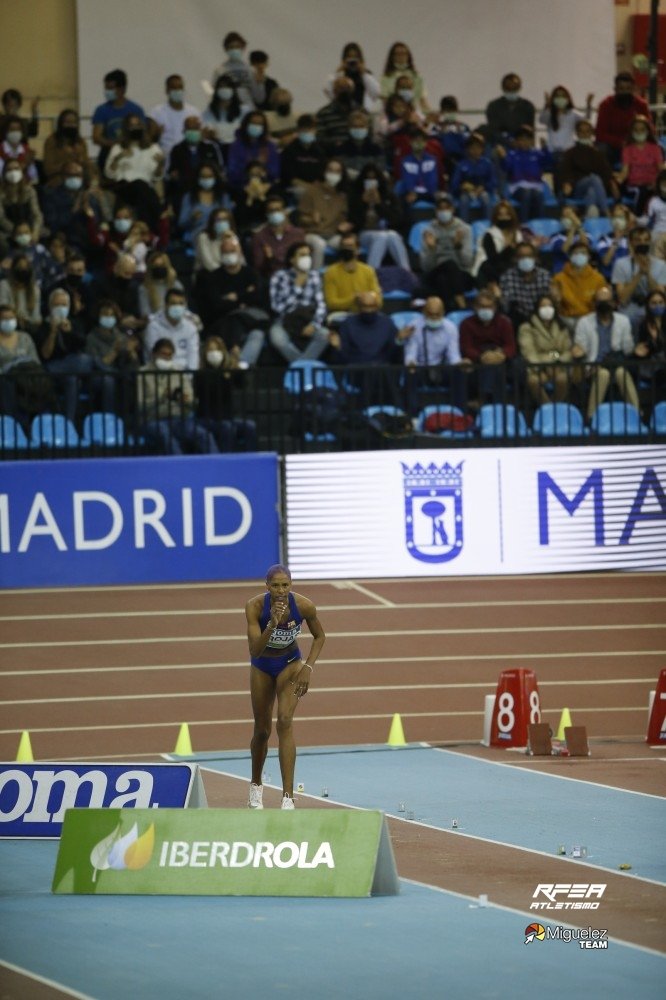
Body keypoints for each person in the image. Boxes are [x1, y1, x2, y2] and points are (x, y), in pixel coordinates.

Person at [245, 563, 325, 810]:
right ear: (267, 586)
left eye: (285, 585)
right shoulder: (254, 607)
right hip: (262, 666)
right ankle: (256, 786)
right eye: (275, 586)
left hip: (290, 663)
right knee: (262, 730)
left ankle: (288, 797)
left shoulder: (304, 606)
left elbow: (320, 636)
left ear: (291, 585)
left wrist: (308, 667)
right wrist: (272, 623)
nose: (281, 590)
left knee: (285, 721)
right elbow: (255, 650)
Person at [196, 232, 268, 366]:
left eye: (232, 251)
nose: (229, 255)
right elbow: (216, 305)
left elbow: (258, 298)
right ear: (220, 254)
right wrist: (245, 296)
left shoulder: (251, 273)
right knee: (232, 320)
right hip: (223, 322)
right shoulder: (213, 278)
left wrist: (235, 297)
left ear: (240, 252)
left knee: (257, 333)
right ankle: (239, 364)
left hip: (250, 320)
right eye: (226, 252)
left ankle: (239, 363)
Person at [137, 337, 218, 455]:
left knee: (203, 435)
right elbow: (140, 406)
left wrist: (185, 400)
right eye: (163, 354)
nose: (166, 358)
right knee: (165, 434)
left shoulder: (178, 371)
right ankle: (180, 465)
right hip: (152, 420)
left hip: (178, 419)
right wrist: (162, 396)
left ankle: (217, 464)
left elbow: (192, 401)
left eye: (169, 355)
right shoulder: (142, 373)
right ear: (154, 354)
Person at [572, 285, 640, 420]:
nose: (604, 305)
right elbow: (581, 348)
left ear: (613, 303)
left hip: (616, 364)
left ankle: (637, 415)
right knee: (603, 374)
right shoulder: (584, 322)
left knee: (621, 372)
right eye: (600, 302)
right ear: (595, 303)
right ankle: (591, 418)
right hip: (593, 368)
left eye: (607, 301)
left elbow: (627, 349)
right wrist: (579, 353)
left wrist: (634, 348)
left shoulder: (623, 321)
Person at [34, 287, 93, 422]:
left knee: (73, 378)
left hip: (69, 370)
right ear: (50, 306)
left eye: (64, 304)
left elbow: (82, 344)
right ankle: (101, 366)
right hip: (50, 371)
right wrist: (53, 333)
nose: (60, 308)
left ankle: (69, 423)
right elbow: (45, 355)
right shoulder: (43, 326)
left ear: (69, 306)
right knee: (86, 361)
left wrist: (69, 332)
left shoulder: (75, 323)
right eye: (57, 305)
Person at [194, 333, 258, 451]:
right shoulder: (201, 374)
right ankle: (226, 459)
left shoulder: (228, 371)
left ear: (223, 352)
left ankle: (251, 459)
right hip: (207, 419)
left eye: (217, 350)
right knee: (228, 428)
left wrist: (236, 364)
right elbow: (212, 390)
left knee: (250, 426)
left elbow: (242, 384)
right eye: (210, 350)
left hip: (227, 417)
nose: (214, 353)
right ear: (205, 353)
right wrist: (225, 376)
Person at [403, 296, 468, 411]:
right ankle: (412, 414)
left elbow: (453, 356)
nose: (433, 317)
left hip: (440, 368)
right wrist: (411, 364)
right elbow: (411, 353)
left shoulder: (450, 328)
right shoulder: (414, 326)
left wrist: (460, 364)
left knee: (459, 372)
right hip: (420, 368)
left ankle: (459, 411)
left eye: (437, 314)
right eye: (430, 314)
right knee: (410, 373)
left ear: (443, 312)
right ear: (424, 312)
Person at [269, 242, 330, 363]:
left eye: (308, 255)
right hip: (284, 320)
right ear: (292, 259)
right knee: (277, 339)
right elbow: (276, 307)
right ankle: (304, 367)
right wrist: (297, 288)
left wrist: (314, 324)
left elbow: (321, 305)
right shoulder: (279, 276)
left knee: (325, 335)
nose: (306, 258)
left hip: (308, 319)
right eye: (302, 255)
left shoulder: (315, 276)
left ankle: (299, 367)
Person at [347, 163, 409, 270]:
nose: (371, 182)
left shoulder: (388, 195)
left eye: (374, 179)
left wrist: (379, 204)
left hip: (385, 231)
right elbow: (353, 221)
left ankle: (406, 272)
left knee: (393, 235)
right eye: (368, 179)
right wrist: (363, 203)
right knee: (381, 236)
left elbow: (397, 219)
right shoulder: (356, 195)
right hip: (363, 234)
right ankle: (371, 273)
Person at [459, 291, 517, 404]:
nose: (486, 310)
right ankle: (493, 403)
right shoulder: (466, 324)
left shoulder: (504, 322)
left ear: (495, 308)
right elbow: (466, 347)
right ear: (475, 307)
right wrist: (481, 357)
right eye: (482, 306)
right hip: (477, 362)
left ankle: (484, 401)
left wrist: (502, 355)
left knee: (503, 367)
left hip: (500, 358)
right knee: (492, 368)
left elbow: (511, 346)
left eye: (489, 306)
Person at [418, 195, 474, 311]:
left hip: (460, 274)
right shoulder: (428, 231)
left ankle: (448, 310)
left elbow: (467, 263)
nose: (444, 212)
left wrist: (458, 247)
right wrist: (432, 249)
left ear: (452, 210)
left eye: (447, 208)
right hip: (436, 272)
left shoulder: (464, 229)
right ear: (436, 211)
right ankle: (460, 300)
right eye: (440, 209)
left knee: (444, 278)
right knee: (448, 266)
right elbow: (426, 267)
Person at [517, 294, 575, 406]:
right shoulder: (527, 327)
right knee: (534, 381)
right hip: (535, 367)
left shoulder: (562, 326)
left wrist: (555, 360)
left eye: (550, 306)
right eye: (543, 306)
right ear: (537, 308)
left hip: (558, 366)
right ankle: (546, 407)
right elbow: (530, 352)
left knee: (563, 379)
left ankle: (554, 407)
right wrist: (543, 366)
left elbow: (567, 351)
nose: (547, 309)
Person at [558, 118, 618, 217]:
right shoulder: (570, 153)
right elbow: (565, 172)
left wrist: (612, 183)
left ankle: (590, 215)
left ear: (591, 133)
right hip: (576, 188)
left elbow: (606, 172)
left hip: (595, 188)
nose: (584, 134)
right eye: (581, 131)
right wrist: (567, 183)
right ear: (577, 133)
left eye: (587, 131)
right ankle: (606, 212)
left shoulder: (598, 153)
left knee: (592, 191)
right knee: (594, 178)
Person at [611, 225, 666, 333]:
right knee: (624, 320)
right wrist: (639, 273)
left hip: (653, 305)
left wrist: (648, 273)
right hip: (630, 306)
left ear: (650, 242)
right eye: (638, 240)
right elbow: (622, 298)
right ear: (631, 242)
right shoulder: (620, 264)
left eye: (646, 240)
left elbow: (660, 296)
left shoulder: (661, 265)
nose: (642, 243)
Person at [91, 69, 146, 169]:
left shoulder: (136, 109)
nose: (108, 91)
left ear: (122, 89)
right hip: (108, 154)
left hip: (133, 154)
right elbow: (96, 137)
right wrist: (115, 144)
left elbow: (143, 134)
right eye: (106, 88)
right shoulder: (101, 110)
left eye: (111, 88)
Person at [496, 125, 552, 223]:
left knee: (539, 195)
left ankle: (540, 225)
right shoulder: (512, 154)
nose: (524, 142)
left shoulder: (537, 154)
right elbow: (506, 167)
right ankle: (523, 224)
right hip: (517, 188)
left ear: (531, 140)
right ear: (517, 141)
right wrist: (503, 157)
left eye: (527, 139)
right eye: (521, 140)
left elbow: (548, 163)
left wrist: (545, 149)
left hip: (536, 187)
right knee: (527, 193)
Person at [595, 71, 651, 166]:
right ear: (615, 89)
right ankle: (606, 175)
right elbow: (600, 134)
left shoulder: (641, 105)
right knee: (602, 149)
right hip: (613, 147)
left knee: (658, 149)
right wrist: (621, 142)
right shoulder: (606, 105)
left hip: (636, 144)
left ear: (633, 89)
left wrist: (635, 142)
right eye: (621, 88)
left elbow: (649, 129)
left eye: (628, 88)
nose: (625, 92)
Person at [322, 231, 383, 320]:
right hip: (342, 314)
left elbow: (378, 300)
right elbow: (331, 303)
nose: (347, 249)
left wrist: (365, 300)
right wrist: (353, 299)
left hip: (366, 311)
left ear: (358, 250)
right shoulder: (330, 272)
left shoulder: (368, 271)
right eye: (344, 246)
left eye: (350, 246)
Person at [551, 241, 606, 329]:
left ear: (589, 257)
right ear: (570, 256)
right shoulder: (558, 278)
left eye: (583, 253)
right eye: (576, 253)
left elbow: (603, 301)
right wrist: (556, 300)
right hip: (566, 319)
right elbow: (556, 304)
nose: (580, 256)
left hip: (590, 319)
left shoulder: (598, 278)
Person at [615, 115, 663, 214]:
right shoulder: (627, 149)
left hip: (653, 184)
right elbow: (625, 172)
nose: (639, 132)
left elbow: (661, 169)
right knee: (641, 191)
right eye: (636, 130)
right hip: (635, 185)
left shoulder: (655, 148)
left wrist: (657, 183)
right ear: (632, 132)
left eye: (642, 129)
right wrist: (615, 181)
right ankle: (638, 216)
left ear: (647, 131)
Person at [472, 200, 523, 293]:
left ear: (512, 216)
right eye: (501, 215)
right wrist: (509, 248)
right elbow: (494, 260)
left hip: (511, 270)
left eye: (507, 214)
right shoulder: (489, 235)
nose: (504, 218)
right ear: (496, 217)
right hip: (490, 272)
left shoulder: (517, 234)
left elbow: (519, 257)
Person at [144, 288, 201, 370]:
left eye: (181, 303)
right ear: (166, 305)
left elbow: (193, 357)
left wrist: (189, 376)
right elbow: (153, 354)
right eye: (173, 303)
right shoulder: (153, 327)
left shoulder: (191, 328)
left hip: (184, 374)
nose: (177, 307)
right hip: (158, 371)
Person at [499, 242, 552, 329]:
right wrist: (500, 298)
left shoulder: (544, 275)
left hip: (540, 318)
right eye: (521, 256)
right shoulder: (507, 277)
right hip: (518, 320)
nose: (526, 259)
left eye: (529, 256)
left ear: (535, 258)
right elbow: (506, 308)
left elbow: (548, 303)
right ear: (515, 259)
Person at [251, 195, 306, 278]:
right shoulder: (259, 237)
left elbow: (303, 258)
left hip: (295, 276)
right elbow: (258, 268)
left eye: (278, 209)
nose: (275, 213)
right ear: (266, 214)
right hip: (272, 277)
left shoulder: (298, 233)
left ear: (284, 211)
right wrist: (268, 259)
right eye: (271, 211)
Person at [226, 111, 280, 193]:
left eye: (260, 124)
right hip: (241, 188)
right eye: (253, 123)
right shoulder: (236, 146)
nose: (256, 126)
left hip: (266, 187)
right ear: (246, 125)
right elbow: (232, 172)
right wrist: (250, 169)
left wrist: (263, 169)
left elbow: (275, 172)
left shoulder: (270, 146)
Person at [449, 132, 498, 223]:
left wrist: (484, 187)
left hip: (483, 191)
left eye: (478, 148)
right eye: (472, 148)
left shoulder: (488, 164)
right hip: (466, 192)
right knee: (463, 200)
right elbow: (454, 184)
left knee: (486, 198)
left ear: (482, 149)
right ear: (468, 149)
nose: (475, 151)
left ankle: (488, 225)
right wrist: (462, 186)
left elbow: (493, 182)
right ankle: (464, 226)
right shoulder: (461, 164)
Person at [149, 74, 201, 158]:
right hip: (166, 158)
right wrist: (157, 135)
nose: (177, 91)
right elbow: (150, 139)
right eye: (174, 88)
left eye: (180, 87)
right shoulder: (156, 113)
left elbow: (200, 135)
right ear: (167, 90)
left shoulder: (194, 112)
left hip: (189, 158)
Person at [177, 163, 227, 247]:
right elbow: (181, 223)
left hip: (219, 239)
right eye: (203, 176)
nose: (206, 179)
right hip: (195, 240)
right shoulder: (189, 197)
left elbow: (229, 219)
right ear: (198, 178)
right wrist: (192, 218)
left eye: (209, 176)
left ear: (215, 177)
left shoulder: (223, 197)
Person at [538, 85, 593, 157]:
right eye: (557, 96)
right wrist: (547, 105)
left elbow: (586, 118)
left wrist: (588, 104)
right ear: (553, 99)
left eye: (563, 96)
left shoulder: (572, 114)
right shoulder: (550, 114)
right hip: (552, 151)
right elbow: (541, 120)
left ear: (568, 98)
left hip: (568, 152)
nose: (560, 99)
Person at [484, 73, 535, 146]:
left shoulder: (528, 106)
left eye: (514, 88)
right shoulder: (493, 106)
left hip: (522, 146)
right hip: (499, 145)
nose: (511, 91)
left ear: (520, 88)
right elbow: (493, 131)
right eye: (508, 88)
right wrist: (509, 142)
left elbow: (530, 131)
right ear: (502, 88)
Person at [280, 115, 328, 193]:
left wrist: (316, 188)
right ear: (298, 131)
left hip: (316, 189)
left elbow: (322, 175)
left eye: (310, 129)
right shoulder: (289, 150)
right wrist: (309, 189)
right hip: (294, 189)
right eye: (304, 129)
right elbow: (291, 178)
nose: (307, 132)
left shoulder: (319, 151)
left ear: (315, 131)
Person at [42, 109, 89, 187]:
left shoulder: (81, 141)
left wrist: (81, 160)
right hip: (58, 180)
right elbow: (48, 168)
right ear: (61, 124)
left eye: (73, 123)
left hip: (80, 179)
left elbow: (87, 164)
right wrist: (67, 166)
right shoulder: (52, 141)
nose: (71, 125)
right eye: (67, 122)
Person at [634, 289, 666, 400]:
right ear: (648, 305)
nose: (658, 306)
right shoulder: (641, 325)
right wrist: (637, 352)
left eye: (661, 302)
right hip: (649, 368)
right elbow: (639, 349)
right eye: (654, 303)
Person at [380, 42, 430, 113]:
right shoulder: (386, 77)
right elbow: (385, 101)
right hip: (393, 114)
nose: (401, 56)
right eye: (398, 54)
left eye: (404, 53)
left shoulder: (416, 76)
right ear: (392, 56)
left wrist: (429, 115)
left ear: (408, 56)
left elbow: (422, 100)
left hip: (412, 112)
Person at [202, 74, 249, 150]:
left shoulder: (244, 111)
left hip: (239, 149)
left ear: (233, 90)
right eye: (222, 87)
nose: (225, 89)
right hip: (218, 149)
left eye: (228, 87)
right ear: (217, 91)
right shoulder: (209, 113)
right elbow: (205, 132)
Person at [0, 254, 41, 334]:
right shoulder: (4, 285)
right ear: (13, 269)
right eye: (20, 267)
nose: (23, 270)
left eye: (26, 267)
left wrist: (31, 322)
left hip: (29, 326)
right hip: (10, 322)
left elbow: (36, 317)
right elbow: (3, 307)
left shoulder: (35, 290)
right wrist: (18, 318)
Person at [336, 110, 385, 178]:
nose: (358, 129)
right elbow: (339, 169)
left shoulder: (376, 148)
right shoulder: (341, 149)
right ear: (349, 128)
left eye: (361, 126)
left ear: (367, 128)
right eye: (355, 126)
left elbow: (380, 169)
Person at [211, 32, 254, 106]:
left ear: (243, 48)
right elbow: (216, 91)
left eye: (237, 47)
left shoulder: (250, 69)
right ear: (226, 49)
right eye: (231, 47)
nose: (234, 50)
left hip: (248, 107)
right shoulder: (220, 70)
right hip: (230, 108)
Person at [315, 76, 356, 154]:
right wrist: (335, 143)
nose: (344, 91)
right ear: (334, 91)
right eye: (341, 88)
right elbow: (319, 137)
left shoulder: (360, 111)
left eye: (347, 88)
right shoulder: (324, 113)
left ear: (352, 90)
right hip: (333, 153)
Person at [0, 115, 38, 182]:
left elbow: (33, 177)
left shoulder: (26, 150)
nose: (15, 132)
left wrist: (29, 164)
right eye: (12, 129)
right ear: (5, 131)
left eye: (18, 130)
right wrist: (24, 165)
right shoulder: (1, 150)